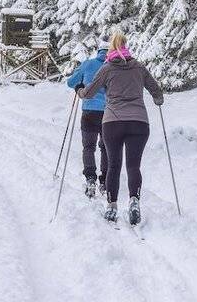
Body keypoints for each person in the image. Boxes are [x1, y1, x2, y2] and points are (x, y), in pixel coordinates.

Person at [76, 29, 163, 225]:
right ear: (126, 47)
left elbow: (89, 92)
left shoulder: (106, 69)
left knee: (114, 165)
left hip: (113, 122)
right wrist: (158, 99)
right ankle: (134, 201)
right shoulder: (139, 67)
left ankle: (112, 206)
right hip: (139, 122)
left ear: (111, 49)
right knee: (134, 166)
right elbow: (156, 90)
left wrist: (80, 91)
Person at [66, 36, 109, 198]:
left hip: (89, 112)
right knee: (106, 147)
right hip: (109, 113)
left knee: (88, 147)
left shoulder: (88, 64)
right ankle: (105, 181)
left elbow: (71, 82)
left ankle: (90, 178)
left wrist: (80, 85)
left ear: (98, 51)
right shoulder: (113, 66)